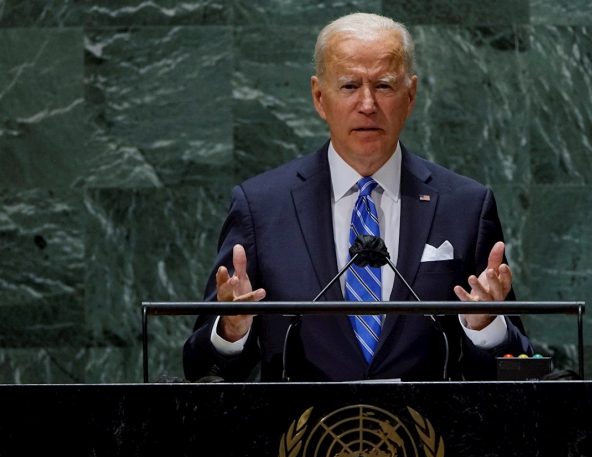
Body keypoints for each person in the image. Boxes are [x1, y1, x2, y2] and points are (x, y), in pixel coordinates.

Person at [183, 12, 533, 382]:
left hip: (428, 435)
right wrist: (232, 330)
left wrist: (486, 325)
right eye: (349, 86)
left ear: (410, 95)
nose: (367, 104)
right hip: (301, 435)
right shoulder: (261, 207)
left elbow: (520, 364)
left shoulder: (465, 206)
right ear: (319, 97)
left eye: (383, 86)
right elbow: (200, 370)